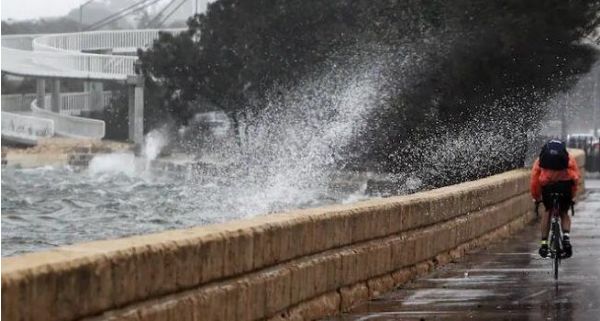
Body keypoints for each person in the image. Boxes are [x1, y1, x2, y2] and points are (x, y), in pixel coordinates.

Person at [530, 139, 580, 258]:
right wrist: (571, 196)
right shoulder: (569, 158)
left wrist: (536, 197)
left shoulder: (540, 160)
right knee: (563, 212)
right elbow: (575, 178)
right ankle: (566, 239)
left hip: (548, 188)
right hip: (565, 187)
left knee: (548, 211)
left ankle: (544, 244)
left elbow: (534, 180)